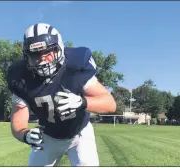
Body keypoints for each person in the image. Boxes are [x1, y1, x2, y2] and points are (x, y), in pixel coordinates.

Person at [6, 23, 116, 166]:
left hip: (79, 135)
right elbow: (18, 121)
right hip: (47, 137)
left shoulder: (75, 67)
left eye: (48, 51)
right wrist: (25, 135)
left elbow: (109, 103)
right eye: (35, 54)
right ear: (27, 56)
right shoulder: (20, 77)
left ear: (59, 48)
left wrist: (82, 102)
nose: (42, 59)